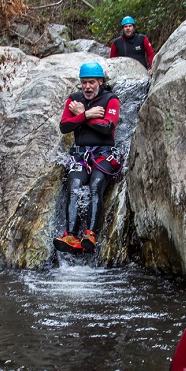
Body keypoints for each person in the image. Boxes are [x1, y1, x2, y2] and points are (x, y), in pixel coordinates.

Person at [53, 61, 122, 255]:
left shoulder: (111, 99)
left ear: (100, 81)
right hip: (80, 153)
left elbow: (108, 127)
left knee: (95, 185)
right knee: (74, 187)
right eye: (84, 82)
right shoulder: (73, 100)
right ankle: (71, 236)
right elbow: (65, 127)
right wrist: (87, 115)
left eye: (91, 82)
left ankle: (91, 234)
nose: (87, 87)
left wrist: (83, 115)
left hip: (104, 152)